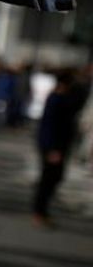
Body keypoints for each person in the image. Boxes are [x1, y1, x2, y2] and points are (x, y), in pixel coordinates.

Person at [33, 70, 81, 227]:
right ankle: (39, 211)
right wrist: (52, 149)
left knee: (56, 177)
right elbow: (49, 126)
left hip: (60, 146)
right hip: (52, 146)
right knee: (48, 178)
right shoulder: (56, 99)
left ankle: (42, 208)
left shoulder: (64, 98)